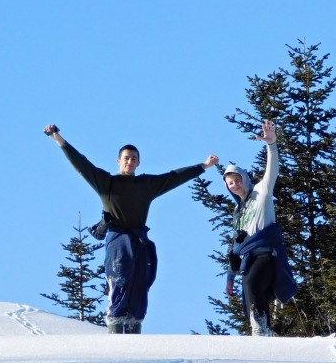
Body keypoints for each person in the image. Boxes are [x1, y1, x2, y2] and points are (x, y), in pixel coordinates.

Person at [44, 124, 218, 334]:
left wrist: (203, 166)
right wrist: (58, 139)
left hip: (139, 242)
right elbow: (82, 164)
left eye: (134, 158)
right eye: (126, 158)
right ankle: (115, 327)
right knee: (119, 281)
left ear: (138, 162)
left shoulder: (146, 185)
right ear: (119, 161)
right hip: (118, 240)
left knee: (139, 288)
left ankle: (135, 331)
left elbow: (173, 177)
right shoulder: (107, 183)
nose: (130, 161)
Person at [222, 119, 296, 337]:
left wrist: (271, 145)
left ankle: (260, 330)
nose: (235, 185)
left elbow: (272, 171)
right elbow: (235, 245)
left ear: (244, 178)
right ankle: (264, 333)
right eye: (230, 184)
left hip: (266, 255)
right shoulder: (238, 212)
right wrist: (230, 277)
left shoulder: (261, 192)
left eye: (237, 180)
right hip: (248, 259)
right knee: (252, 291)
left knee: (254, 284)